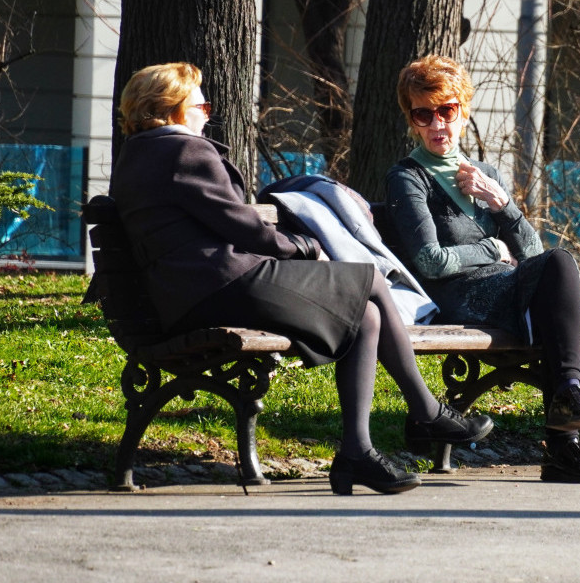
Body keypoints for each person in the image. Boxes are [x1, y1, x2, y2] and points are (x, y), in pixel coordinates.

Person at [109, 62, 493, 495]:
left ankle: (356, 453)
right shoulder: (183, 151)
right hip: (222, 286)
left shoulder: (138, 155)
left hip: (191, 293)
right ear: (173, 108)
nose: (207, 114)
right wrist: (304, 246)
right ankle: (426, 411)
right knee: (366, 278)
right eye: (202, 105)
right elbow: (242, 226)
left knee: (366, 314)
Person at [384, 54, 580, 484]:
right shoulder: (409, 178)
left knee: (558, 263)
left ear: (463, 112)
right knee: (553, 304)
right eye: (423, 114)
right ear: (411, 120)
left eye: (446, 111)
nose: (437, 124)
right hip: (462, 296)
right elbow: (431, 261)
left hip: (508, 287)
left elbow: (532, 251)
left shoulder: (483, 173)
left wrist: (501, 204)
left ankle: (567, 406)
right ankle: (564, 444)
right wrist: (490, 247)